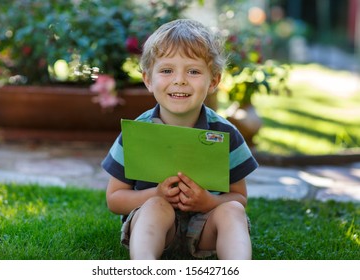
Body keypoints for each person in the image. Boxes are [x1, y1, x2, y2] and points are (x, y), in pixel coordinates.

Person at [102, 19, 258, 260]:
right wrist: (155, 195)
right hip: (157, 229)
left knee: (233, 210)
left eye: (193, 71)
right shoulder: (136, 132)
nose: (180, 80)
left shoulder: (225, 133)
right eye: (167, 70)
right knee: (156, 207)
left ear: (214, 81)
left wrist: (207, 201)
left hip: (206, 230)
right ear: (148, 79)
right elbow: (114, 199)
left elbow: (240, 197)